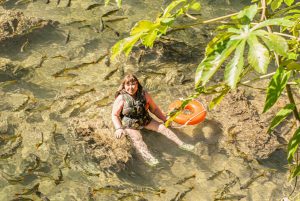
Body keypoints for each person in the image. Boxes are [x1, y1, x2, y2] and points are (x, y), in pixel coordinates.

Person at [111, 74, 195, 166]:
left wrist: (164, 119)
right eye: (128, 85)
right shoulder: (121, 98)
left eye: (133, 84)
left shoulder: (144, 94)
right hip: (130, 124)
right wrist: (118, 128)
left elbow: (154, 109)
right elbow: (115, 115)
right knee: (138, 139)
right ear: (124, 86)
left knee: (163, 128)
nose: (131, 87)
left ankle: (181, 144)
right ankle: (149, 158)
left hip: (145, 119)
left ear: (137, 84)